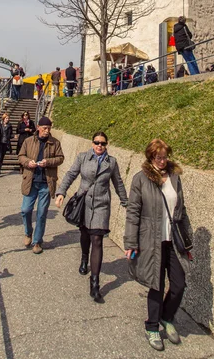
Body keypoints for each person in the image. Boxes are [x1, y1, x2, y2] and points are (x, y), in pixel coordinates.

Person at [124, 138, 193, 351]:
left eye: (165, 156)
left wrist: (188, 244)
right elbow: (133, 211)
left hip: (172, 240)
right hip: (149, 239)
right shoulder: (141, 179)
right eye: (158, 157)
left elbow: (181, 211)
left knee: (179, 283)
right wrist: (131, 242)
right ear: (150, 156)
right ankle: (152, 326)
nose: (162, 160)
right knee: (156, 284)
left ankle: (166, 316)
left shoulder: (174, 177)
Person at [56, 131, 128, 303]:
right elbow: (71, 174)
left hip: (102, 204)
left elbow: (118, 183)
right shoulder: (83, 157)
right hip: (84, 203)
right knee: (84, 234)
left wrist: (126, 201)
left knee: (97, 239)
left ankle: (94, 284)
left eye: (103, 143)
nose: (99, 146)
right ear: (92, 143)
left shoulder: (112, 163)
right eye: (96, 142)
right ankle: (84, 257)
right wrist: (61, 192)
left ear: (106, 145)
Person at [19, 116, 64, 254]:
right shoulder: (28, 141)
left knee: (41, 213)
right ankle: (28, 233)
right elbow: (21, 156)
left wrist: (48, 162)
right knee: (25, 210)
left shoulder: (54, 143)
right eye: (44, 128)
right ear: (38, 127)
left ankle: (37, 242)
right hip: (31, 181)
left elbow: (60, 158)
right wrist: (28, 163)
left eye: (49, 129)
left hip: (46, 182)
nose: (46, 131)